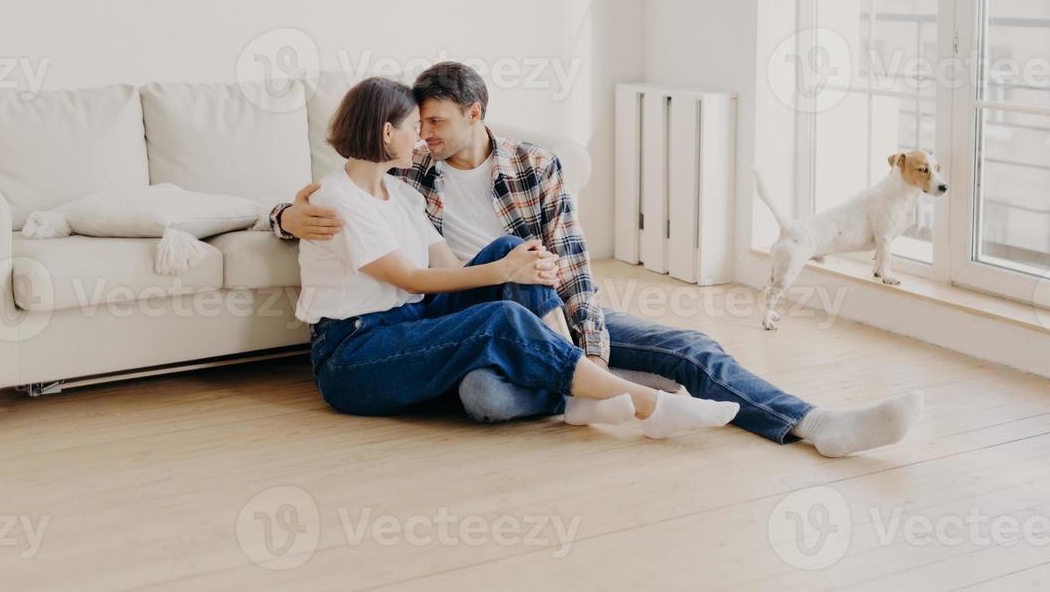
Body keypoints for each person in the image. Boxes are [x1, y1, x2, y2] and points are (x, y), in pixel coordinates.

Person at [278, 64, 920, 457]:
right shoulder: (405, 172)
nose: (427, 134)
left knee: (686, 344)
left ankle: (813, 422)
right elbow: (346, 200)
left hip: (544, 305)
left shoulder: (535, 166)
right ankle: (598, 390)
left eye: (437, 121)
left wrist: (592, 344)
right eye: (418, 123)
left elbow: (572, 263)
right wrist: (285, 213)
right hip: (458, 311)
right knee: (486, 392)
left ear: (476, 114)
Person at [297, 75, 740, 438]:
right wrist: (503, 272)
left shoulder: (399, 193)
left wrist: (515, 264)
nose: (423, 137)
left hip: (411, 323)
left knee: (513, 246)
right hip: (353, 354)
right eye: (415, 126)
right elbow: (412, 277)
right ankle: (647, 405)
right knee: (499, 318)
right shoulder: (337, 200)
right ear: (387, 132)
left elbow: (451, 271)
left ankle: (580, 387)